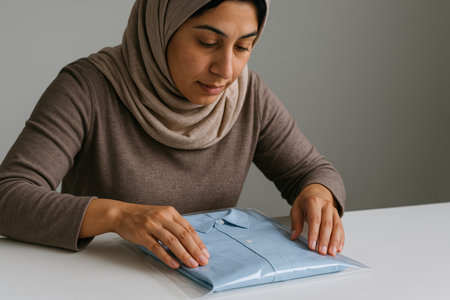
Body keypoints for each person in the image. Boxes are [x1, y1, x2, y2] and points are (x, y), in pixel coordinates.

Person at [0, 0, 345, 270]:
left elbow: (311, 171)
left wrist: (317, 194)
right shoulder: (87, 88)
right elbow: (8, 197)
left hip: (210, 283)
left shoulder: (246, 93)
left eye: (243, 47)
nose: (226, 70)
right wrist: (118, 217)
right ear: (161, 27)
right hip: (103, 284)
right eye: (208, 42)